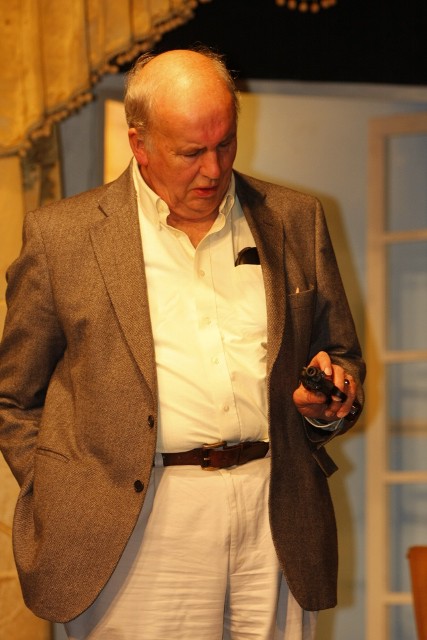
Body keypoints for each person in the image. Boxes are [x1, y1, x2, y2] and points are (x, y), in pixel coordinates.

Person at [0, 48, 365, 639]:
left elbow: (341, 356)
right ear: (139, 143)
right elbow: (14, 397)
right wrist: (64, 490)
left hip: (274, 514)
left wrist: (327, 404)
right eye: (191, 152)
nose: (213, 169)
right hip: (135, 524)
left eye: (226, 144)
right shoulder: (62, 237)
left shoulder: (295, 218)